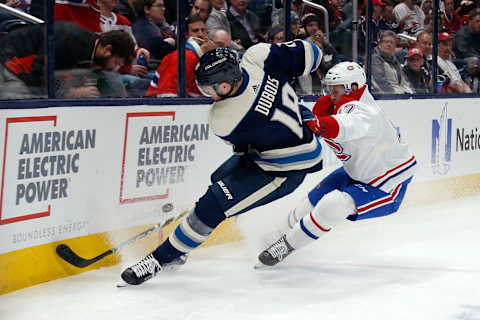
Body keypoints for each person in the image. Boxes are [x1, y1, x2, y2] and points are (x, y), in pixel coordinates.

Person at [121, 39, 324, 285]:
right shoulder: (259, 56)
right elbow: (313, 52)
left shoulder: (225, 117)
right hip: (289, 145)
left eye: (209, 89)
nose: (207, 94)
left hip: (285, 169)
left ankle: (163, 258)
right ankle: (210, 222)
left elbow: (247, 142)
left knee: (211, 205)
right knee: (218, 180)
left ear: (226, 85)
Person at [256, 61, 417, 267]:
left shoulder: (365, 112)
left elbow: (345, 126)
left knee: (333, 205)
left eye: (337, 89)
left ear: (354, 88)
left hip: (387, 184)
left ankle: (285, 247)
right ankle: (275, 237)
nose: (331, 94)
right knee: (309, 203)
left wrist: (318, 124)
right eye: (329, 89)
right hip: (356, 172)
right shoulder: (334, 105)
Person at [0, 21, 135, 99]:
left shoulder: (88, 51)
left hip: (18, 69)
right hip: (8, 64)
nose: (114, 68)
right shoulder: (71, 40)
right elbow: (38, 76)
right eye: (116, 62)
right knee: (23, 99)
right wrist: (70, 93)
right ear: (107, 50)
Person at [145, 15, 216, 97]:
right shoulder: (183, 57)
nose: (200, 34)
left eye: (203, 30)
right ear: (186, 35)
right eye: (195, 31)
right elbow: (167, 96)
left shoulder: (201, 58)